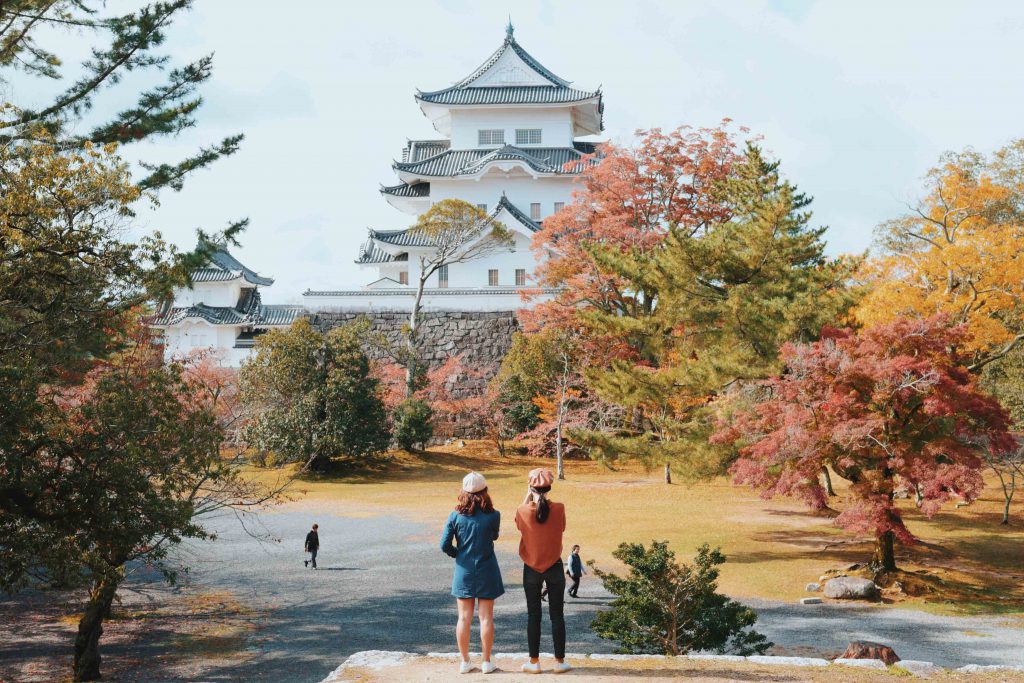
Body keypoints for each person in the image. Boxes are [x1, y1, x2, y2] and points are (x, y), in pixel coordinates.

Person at [441, 472, 503, 675]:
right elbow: (493, 536)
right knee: (486, 618)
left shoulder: (454, 515)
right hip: (487, 569)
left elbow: (444, 545)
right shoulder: (494, 515)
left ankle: (465, 662)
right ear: (485, 491)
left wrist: (457, 554)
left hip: (464, 570)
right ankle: (486, 662)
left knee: (463, 617)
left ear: (464, 492)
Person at [515, 468, 571, 675]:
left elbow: (519, 524)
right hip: (554, 566)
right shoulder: (560, 508)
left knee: (533, 615)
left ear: (531, 488)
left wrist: (527, 497)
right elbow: (562, 528)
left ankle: (534, 661)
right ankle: (559, 662)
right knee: (557, 615)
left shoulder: (522, 510)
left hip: (531, 568)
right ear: (549, 488)